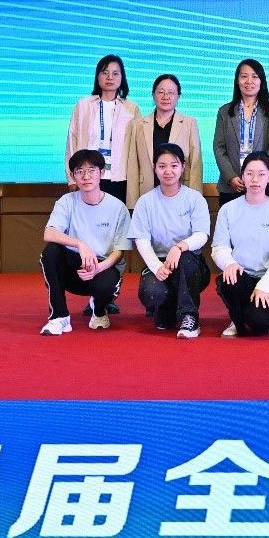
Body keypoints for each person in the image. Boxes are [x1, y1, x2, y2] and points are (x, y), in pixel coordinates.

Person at [38, 149, 132, 335]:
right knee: (50, 252)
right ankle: (59, 316)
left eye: (91, 170)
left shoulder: (118, 207)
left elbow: (120, 251)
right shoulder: (67, 201)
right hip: (74, 268)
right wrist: (80, 244)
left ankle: (99, 310)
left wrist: (98, 268)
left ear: (102, 173)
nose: (86, 176)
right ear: (73, 176)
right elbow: (49, 233)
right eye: (80, 171)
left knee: (105, 285)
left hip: (103, 267)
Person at [129, 144, 211, 339]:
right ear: (154, 168)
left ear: (183, 167)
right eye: (162, 166)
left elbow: (202, 235)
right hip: (161, 263)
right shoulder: (145, 202)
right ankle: (167, 308)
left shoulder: (195, 199)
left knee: (186, 259)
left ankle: (190, 316)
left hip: (191, 264)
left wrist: (179, 247)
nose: (168, 171)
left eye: (174, 166)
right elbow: (141, 240)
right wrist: (157, 267)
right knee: (152, 295)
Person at [211, 152, 269, 337]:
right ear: (242, 175)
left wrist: (265, 286)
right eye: (249, 174)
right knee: (231, 280)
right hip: (240, 275)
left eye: (261, 174)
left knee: (260, 323)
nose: (255, 180)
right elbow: (219, 247)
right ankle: (237, 320)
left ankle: (253, 316)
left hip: (267, 277)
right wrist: (229, 264)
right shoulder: (228, 210)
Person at [66, 54, 140, 203]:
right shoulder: (83, 105)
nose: (110, 77)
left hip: (120, 177)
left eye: (115, 73)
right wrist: (71, 178)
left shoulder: (131, 108)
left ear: (122, 78)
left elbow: (137, 147)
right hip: (88, 176)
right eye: (105, 72)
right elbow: (72, 142)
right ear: (97, 76)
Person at [124, 74, 203, 209]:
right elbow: (133, 165)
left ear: (178, 96)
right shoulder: (138, 125)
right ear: (153, 95)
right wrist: (132, 203)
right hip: (147, 193)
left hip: (180, 193)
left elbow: (196, 164)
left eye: (171, 93)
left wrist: (196, 200)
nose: (166, 97)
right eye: (161, 92)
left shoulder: (189, 123)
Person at [213, 59, 269, 206]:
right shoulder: (224, 112)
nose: (249, 81)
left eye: (254, 76)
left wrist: (260, 175)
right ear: (237, 80)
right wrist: (231, 177)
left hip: (264, 185)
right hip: (232, 185)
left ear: (261, 81)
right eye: (244, 76)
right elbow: (219, 147)